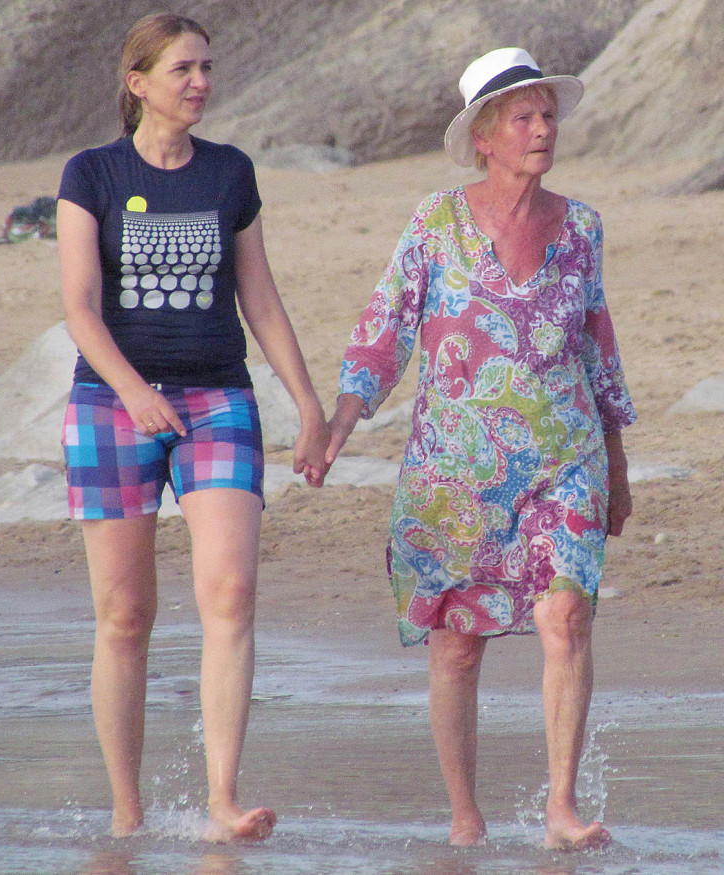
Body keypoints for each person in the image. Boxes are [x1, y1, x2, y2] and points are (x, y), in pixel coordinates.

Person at [326, 47, 636, 849]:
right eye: (525, 118)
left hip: (565, 461)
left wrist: (618, 468)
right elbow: (383, 333)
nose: (543, 129)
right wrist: (339, 421)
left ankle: (561, 809)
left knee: (567, 615)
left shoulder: (583, 229)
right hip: (453, 475)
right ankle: (466, 818)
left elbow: (598, 351)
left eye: (549, 115)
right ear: (485, 138)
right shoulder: (435, 223)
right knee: (457, 648)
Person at [57, 12, 329, 841]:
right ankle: (127, 810)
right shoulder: (90, 173)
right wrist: (135, 391)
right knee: (126, 614)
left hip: (218, 399)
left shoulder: (229, 173)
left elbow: (262, 299)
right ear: (138, 83)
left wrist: (308, 405)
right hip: (112, 403)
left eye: (207, 67)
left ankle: (222, 799)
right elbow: (79, 307)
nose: (201, 82)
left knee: (231, 592)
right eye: (183, 69)